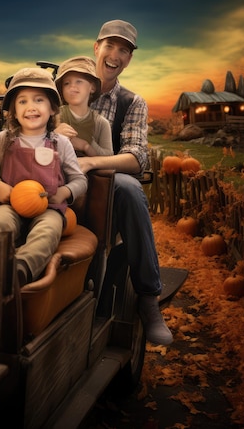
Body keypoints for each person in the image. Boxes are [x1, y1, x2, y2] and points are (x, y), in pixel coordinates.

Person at [79, 19, 172, 345]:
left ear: (129, 58)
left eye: (124, 50)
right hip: (53, 180)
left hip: (104, 188)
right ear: (96, 47)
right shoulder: (65, 86)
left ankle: (148, 297)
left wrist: (91, 160)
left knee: (130, 187)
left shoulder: (132, 103)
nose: (115, 55)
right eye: (110, 46)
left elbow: (135, 159)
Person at [0, 68, 87, 286]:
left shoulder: (60, 143)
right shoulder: (6, 140)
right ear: (13, 111)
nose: (31, 107)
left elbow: (80, 180)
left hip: (49, 208)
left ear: (52, 108)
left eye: (39, 100)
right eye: (22, 102)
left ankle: (21, 269)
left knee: (48, 231)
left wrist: (64, 192)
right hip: (10, 204)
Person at [54, 56, 113, 157]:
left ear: (93, 87)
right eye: (66, 83)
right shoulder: (55, 116)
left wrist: (86, 145)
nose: (72, 87)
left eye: (79, 81)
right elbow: (37, 144)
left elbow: (108, 159)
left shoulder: (101, 123)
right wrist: (54, 135)